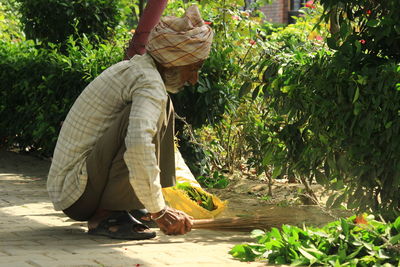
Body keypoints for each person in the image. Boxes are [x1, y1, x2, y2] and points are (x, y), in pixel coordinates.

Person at [46, 5, 213, 240]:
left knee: (163, 106)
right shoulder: (148, 82)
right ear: (172, 63)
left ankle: (131, 204)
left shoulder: (141, 71)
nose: (194, 79)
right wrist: (159, 210)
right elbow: (137, 144)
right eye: (192, 69)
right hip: (77, 194)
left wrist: (157, 202)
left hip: (79, 188)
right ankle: (108, 215)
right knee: (140, 124)